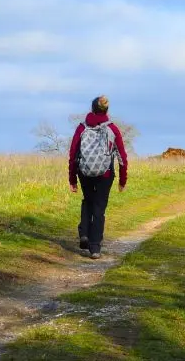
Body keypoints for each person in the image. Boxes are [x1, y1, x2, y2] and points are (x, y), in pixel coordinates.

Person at [68, 95, 128, 258]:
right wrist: (122, 180)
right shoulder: (112, 129)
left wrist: (72, 178)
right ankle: (95, 248)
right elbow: (122, 156)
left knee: (88, 200)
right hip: (105, 173)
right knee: (99, 208)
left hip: (84, 171)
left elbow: (73, 154)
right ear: (106, 110)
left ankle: (84, 234)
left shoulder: (82, 128)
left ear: (92, 109)